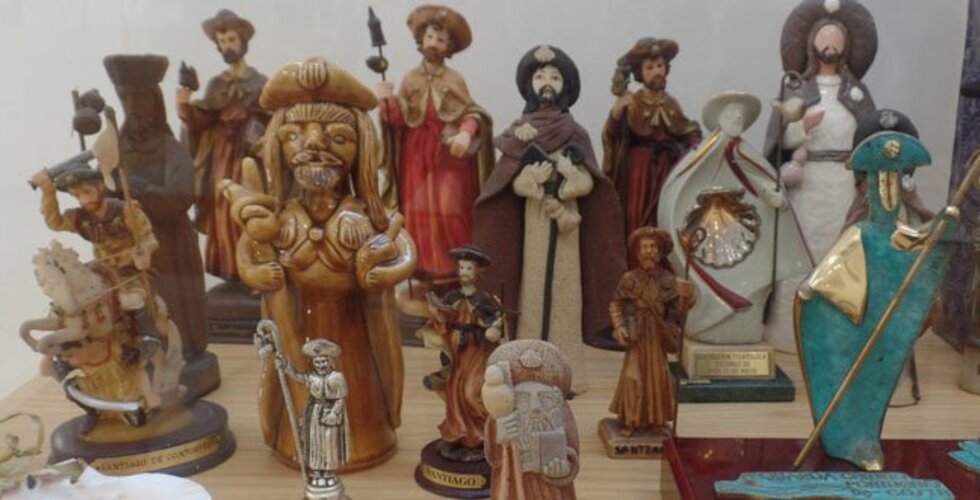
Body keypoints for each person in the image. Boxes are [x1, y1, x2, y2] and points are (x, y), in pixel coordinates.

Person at [222, 57, 416, 470]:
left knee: (355, 390)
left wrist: (383, 269)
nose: (313, 144)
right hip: (297, 326)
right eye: (293, 135)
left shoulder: (364, 218)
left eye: (338, 136)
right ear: (278, 148)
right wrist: (256, 272)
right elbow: (248, 255)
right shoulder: (279, 219)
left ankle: (364, 438)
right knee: (295, 384)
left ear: (361, 150)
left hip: (354, 336)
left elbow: (404, 250)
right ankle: (295, 440)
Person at [473, 45, 627, 392]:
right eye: (540, 76)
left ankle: (567, 371)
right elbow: (511, 184)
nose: (547, 82)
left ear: (565, 86)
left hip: (567, 228)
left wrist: (570, 178)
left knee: (564, 294)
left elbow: (589, 183)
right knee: (533, 292)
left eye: (555, 77)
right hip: (536, 224)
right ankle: (529, 367)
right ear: (530, 84)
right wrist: (532, 180)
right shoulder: (520, 132)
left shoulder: (575, 133)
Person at [658, 91, 812, 345]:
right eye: (732, 113)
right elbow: (677, 190)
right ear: (719, 117)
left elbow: (763, 181)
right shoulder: (699, 155)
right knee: (703, 282)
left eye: (741, 115)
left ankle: (743, 324)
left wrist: (776, 197)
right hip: (702, 227)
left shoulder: (748, 154)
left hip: (743, 226)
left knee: (753, 281)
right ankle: (706, 320)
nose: (737, 118)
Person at [104, 54, 213, 394]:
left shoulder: (169, 146)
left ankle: (181, 352)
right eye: (126, 98)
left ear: (154, 102)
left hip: (169, 243)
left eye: (139, 98)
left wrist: (139, 189)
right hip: (129, 244)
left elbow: (182, 194)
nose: (133, 106)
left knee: (171, 303)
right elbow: (105, 191)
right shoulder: (116, 148)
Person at [375, 4, 493, 288]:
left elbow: (472, 113)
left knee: (452, 210)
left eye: (441, 39)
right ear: (421, 39)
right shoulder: (410, 78)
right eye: (430, 37)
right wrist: (386, 101)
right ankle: (423, 270)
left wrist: (465, 133)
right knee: (418, 213)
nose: (434, 44)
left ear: (449, 46)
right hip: (415, 157)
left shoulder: (454, 79)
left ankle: (456, 271)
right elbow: (398, 120)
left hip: (448, 158)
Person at [177, 9, 269, 281]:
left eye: (231, 39)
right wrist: (185, 106)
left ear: (242, 41)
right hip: (220, 156)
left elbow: (271, 117)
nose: (227, 46)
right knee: (222, 206)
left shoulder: (261, 83)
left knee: (251, 205)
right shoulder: (217, 84)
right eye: (222, 41)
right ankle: (229, 267)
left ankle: (255, 266)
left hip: (249, 155)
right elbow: (202, 120)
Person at [31, 164, 162, 348]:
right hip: (101, 268)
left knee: (131, 300)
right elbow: (55, 222)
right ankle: (72, 345)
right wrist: (48, 192)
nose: (84, 200)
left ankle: (146, 339)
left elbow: (149, 237)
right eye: (77, 195)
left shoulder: (127, 211)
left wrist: (145, 253)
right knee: (75, 296)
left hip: (129, 269)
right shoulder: (79, 217)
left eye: (87, 192)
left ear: (100, 186)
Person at [603, 37, 701, 237]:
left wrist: (696, 146)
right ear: (640, 73)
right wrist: (616, 113)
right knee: (636, 215)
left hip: (668, 170)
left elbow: (686, 130)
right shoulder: (632, 102)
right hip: (639, 172)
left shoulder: (671, 103)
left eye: (660, 66)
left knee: (666, 216)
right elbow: (613, 135)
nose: (657, 71)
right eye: (650, 68)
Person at [417, 244, 503, 459]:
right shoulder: (452, 297)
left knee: (472, 393)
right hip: (456, 352)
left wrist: (494, 327)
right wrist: (436, 312)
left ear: (478, 272)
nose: (464, 272)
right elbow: (442, 322)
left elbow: (495, 323)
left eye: (469, 268)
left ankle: (481, 438)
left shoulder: (484, 299)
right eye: (462, 268)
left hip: (476, 351)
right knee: (455, 393)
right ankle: (458, 435)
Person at [608, 227, 695, 435]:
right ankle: (630, 420)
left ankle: (656, 421)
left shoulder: (668, 280)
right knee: (633, 377)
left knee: (658, 377)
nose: (649, 252)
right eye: (644, 247)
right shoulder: (629, 279)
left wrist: (687, 297)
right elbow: (616, 304)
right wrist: (619, 326)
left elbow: (678, 308)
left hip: (657, 334)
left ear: (659, 252)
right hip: (637, 333)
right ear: (637, 253)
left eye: (653, 247)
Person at [482, 340, 579, 500]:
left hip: (552, 491)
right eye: (524, 399)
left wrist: (565, 468)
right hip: (513, 483)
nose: (536, 408)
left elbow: (572, 448)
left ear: (557, 399)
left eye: (545, 398)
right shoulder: (503, 417)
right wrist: (498, 433)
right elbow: (495, 457)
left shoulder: (561, 414)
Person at [277, 338, 349, 491]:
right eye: (317, 362)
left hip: (330, 415)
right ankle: (316, 472)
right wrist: (285, 366)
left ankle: (329, 472)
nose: (320, 365)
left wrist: (334, 414)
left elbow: (340, 399)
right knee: (315, 441)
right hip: (314, 414)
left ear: (329, 361)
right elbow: (298, 376)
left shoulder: (337, 378)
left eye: (323, 362)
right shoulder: (311, 377)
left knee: (329, 442)